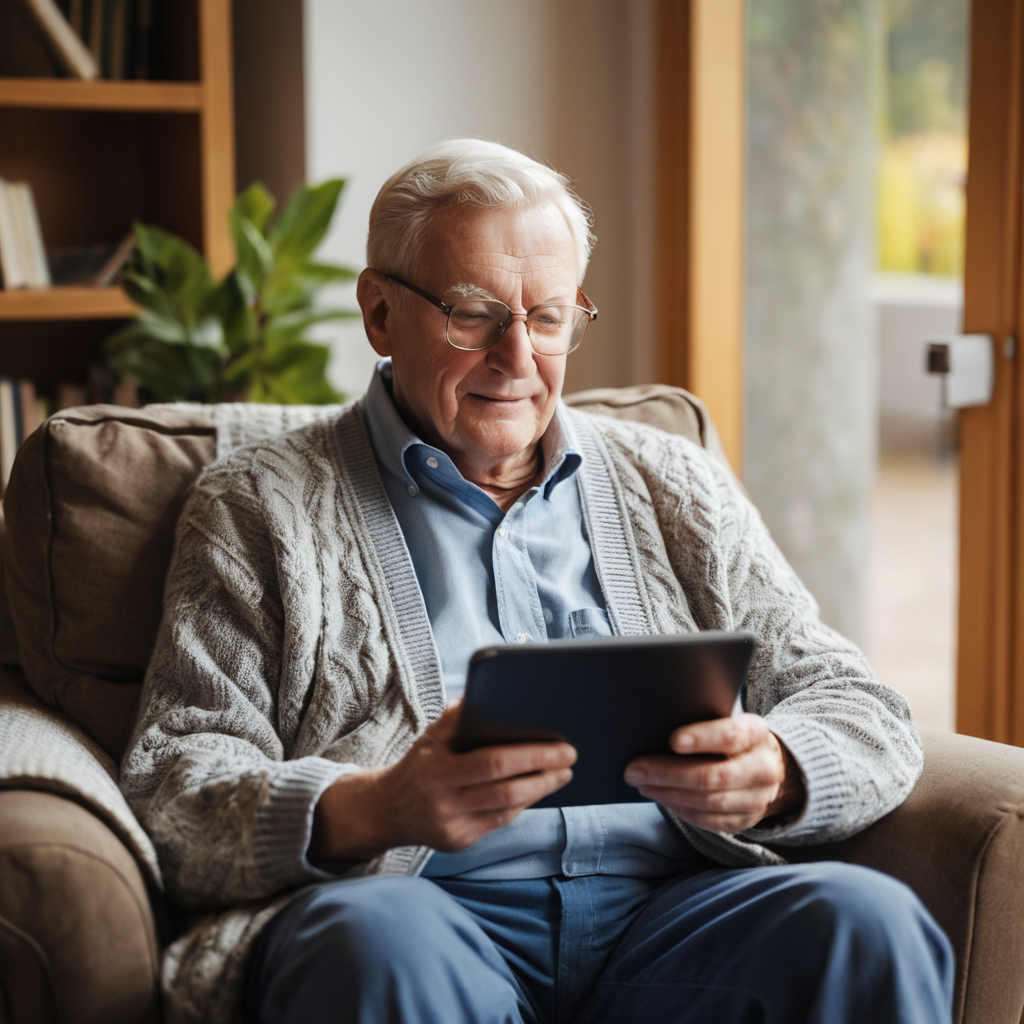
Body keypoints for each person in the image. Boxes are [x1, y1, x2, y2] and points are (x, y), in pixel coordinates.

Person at [120, 139, 953, 1024]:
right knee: (374, 946)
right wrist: (377, 805)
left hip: (669, 922)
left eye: (549, 317)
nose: (517, 356)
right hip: (423, 915)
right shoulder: (259, 504)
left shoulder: (675, 480)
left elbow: (858, 704)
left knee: (868, 925)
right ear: (378, 313)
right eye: (473, 314)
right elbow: (175, 785)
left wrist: (781, 770)